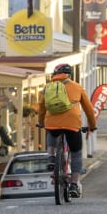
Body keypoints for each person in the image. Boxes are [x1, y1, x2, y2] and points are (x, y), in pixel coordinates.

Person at [36, 64, 98, 198]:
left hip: (52, 123)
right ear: (69, 75)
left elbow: (41, 107)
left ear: (55, 74)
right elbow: (88, 109)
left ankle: (51, 157)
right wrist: (92, 125)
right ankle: (74, 184)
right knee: (76, 153)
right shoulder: (77, 87)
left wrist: (41, 122)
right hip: (72, 123)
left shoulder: (47, 87)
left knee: (51, 130)